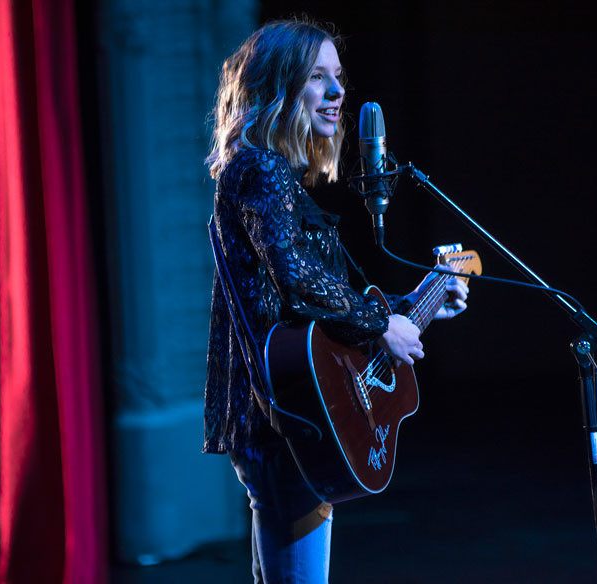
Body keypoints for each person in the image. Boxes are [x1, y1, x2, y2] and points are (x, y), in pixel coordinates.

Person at [203, 19, 468, 583]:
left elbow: (319, 301)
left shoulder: (268, 172)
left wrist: (417, 302)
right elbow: (297, 278)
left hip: (291, 412)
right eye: (316, 77)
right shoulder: (260, 167)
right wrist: (382, 326)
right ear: (277, 85)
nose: (337, 91)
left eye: (338, 76)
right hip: (289, 418)